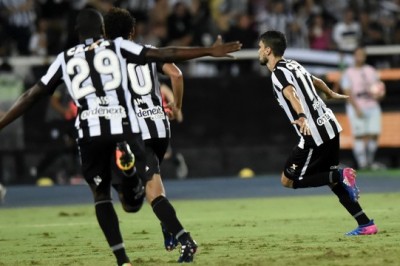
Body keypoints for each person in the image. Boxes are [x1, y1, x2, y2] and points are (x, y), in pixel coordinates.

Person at [0, 8, 241, 266]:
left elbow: (31, 95)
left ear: (77, 32)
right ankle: (135, 183)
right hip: (128, 126)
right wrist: (207, 51)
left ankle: (122, 258)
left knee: (104, 196)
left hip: (90, 131)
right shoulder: (117, 48)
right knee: (146, 192)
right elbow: (166, 55)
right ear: (103, 31)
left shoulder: (65, 57)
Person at [257, 30, 378, 236]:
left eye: (260, 47)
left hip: (314, 134)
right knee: (331, 182)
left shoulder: (278, 73)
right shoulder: (293, 64)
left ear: (268, 50)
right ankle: (365, 223)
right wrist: (329, 93)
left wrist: (302, 116)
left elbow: (291, 93)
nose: (258, 51)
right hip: (330, 126)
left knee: (288, 180)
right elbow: (315, 80)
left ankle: (340, 173)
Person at [103, 7, 194, 262]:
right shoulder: (148, 51)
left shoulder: (107, 58)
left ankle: (185, 239)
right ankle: (168, 225)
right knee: (154, 183)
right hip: (160, 126)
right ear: (132, 31)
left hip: (136, 130)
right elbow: (176, 73)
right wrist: (176, 106)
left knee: (149, 192)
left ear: (105, 33)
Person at [341, 47, 384, 170]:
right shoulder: (348, 72)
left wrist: (380, 94)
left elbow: (379, 88)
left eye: (362, 54)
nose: (360, 57)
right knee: (359, 134)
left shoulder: (371, 70)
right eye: (358, 54)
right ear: (354, 56)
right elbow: (347, 92)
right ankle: (362, 164)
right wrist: (356, 108)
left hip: (372, 104)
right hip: (356, 105)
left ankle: (370, 162)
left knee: (374, 133)